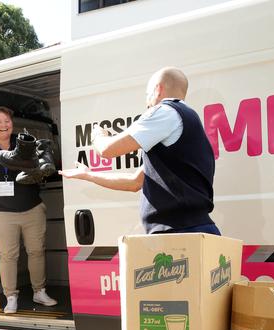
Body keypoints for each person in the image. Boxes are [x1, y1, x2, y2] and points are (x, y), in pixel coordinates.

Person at [60, 67, 220, 235]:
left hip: (179, 234)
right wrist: (88, 174)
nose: (147, 104)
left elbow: (106, 149)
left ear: (158, 89)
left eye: (147, 95)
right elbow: (134, 182)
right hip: (194, 230)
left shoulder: (164, 112)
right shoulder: (186, 124)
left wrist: (97, 136)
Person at [0, 106, 57, 314]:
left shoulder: (25, 142)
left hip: (32, 209)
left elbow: (43, 163)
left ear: (12, 124)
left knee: (36, 251)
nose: (3, 125)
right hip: (3, 213)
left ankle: (39, 291)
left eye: (6, 121)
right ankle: (10, 297)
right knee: (8, 255)